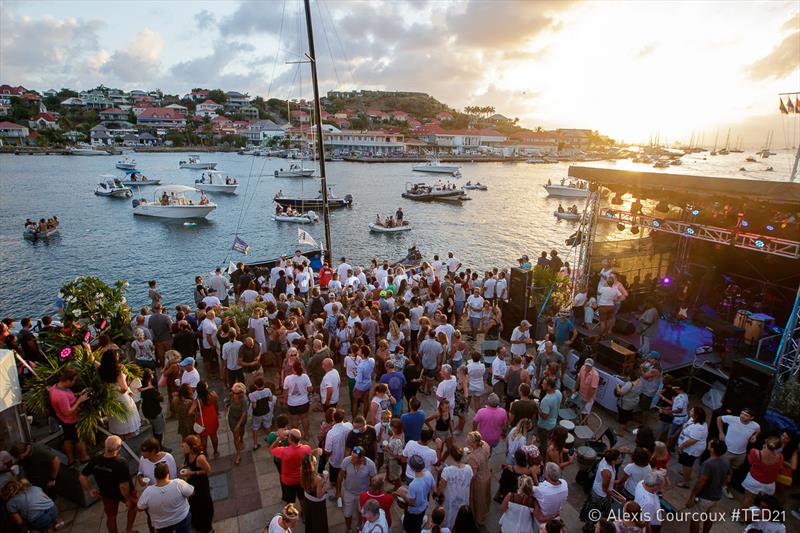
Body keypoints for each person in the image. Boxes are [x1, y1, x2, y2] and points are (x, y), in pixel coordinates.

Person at [79, 436, 138, 533]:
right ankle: (129, 530)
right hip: (125, 493)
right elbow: (123, 486)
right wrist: (127, 499)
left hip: (107, 494)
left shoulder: (96, 459)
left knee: (111, 517)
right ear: (119, 448)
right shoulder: (121, 463)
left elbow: (82, 476)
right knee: (133, 507)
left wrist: (90, 489)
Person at [686, 439, 730, 533]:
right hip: (717, 497)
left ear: (712, 449)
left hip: (705, 497)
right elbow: (727, 478)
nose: (708, 443)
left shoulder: (708, 464)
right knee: (709, 517)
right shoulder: (725, 462)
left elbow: (701, 482)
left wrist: (693, 495)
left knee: (695, 518)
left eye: (710, 443)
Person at [49, 368, 90, 465]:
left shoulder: (55, 387)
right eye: (74, 380)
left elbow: (68, 399)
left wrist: (77, 395)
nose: (74, 383)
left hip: (62, 419)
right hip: (70, 420)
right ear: (67, 380)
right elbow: (68, 412)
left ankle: (71, 459)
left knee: (67, 437)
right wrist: (80, 400)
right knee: (78, 439)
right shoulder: (61, 395)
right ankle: (84, 458)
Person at [98, 347, 141, 438]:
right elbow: (124, 388)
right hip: (122, 398)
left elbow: (93, 361)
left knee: (118, 424)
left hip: (111, 399)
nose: (118, 358)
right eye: (116, 357)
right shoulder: (118, 372)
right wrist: (117, 388)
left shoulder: (102, 369)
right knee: (128, 426)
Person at [137, 462, 193, 533]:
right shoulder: (178, 483)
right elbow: (192, 493)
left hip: (162, 525)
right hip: (182, 519)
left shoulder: (148, 492)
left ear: (155, 476)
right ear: (168, 474)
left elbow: (139, 508)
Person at [717, 407, 760, 498]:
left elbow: (758, 430)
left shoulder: (755, 425)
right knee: (721, 468)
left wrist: (755, 436)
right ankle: (714, 484)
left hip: (741, 454)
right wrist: (721, 433)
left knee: (732, 470)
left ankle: (724, 486)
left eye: (746, 415)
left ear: (751, 418)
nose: (743, 416)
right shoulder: (733, 419)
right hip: (727, 451)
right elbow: (719, 418)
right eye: (742, 413)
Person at [579, 449, 621, 529]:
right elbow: (605, 489)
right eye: (619, 458)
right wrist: (617, 497)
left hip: (598, 490)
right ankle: (590, 528)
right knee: (595, 514)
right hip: (600, 496)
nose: (621, 459)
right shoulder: (607, 472)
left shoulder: (606, 459)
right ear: (613, 461)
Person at [180, 435, 213, 533]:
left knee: (204, 505)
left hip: (201, 484)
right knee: (194, 504)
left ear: (191, 447)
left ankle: (208, 528)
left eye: (184, 446)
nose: (182, 448)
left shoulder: (200, 458)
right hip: (192, 483)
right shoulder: (188, 454)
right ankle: (198, 524)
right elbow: (188, 465)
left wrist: (191, 473)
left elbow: (208, 470)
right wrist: (184, 467)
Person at [270, 428, 313, 503]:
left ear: (289, 439)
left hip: (288, 481)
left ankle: (291, 513)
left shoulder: (284, 451)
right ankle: (303, 512)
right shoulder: (307, 449)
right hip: (301, 479)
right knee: (302, 498)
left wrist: (279, 439)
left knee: (289, 501)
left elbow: (272, 449)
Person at [340, 446, 377, 531]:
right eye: (351, 456)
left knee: (361, 512)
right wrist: (338, 492)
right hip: (348, 492)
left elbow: (373, 480)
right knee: (347, 513)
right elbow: (340, 475)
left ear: (361, 458)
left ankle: (359, 526)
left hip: (362, 493)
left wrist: (371, 494)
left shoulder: (370, 465)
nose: (351, 459)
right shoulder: (346, 460)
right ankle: (348, 529)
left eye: (354, 458)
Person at [395, 454, 435, 533]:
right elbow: (434, 488)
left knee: (410, 527)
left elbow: (412, 503)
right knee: (418, 521)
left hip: (414, 511)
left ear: (412, 468)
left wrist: (401, 494)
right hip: (424, 505)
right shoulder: (428, 474)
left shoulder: (413, 485)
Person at [741, 436, 784, 509]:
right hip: (769, 485)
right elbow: (779, 469)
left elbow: (750, 461)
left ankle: (743, 517)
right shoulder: (780, 457)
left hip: (754, 481)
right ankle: (757, 518)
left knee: (748, 498)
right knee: (763, 503)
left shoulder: (755, 452)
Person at [436, 446, 473, 530]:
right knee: (461, 514)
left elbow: (441, 486)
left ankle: (449, 528)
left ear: (451, 457)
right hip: (463, 496)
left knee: (450, 514)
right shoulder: (469, 468)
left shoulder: (447, 471)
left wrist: (437, 494)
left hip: (451, 497)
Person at [324, 410, 353, 507]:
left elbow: (328, 450)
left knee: (336, 480)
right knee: (345, 477)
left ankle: (338, 495)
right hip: (348, 459)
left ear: (333, 419)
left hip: (336, 461)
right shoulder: (349, 426)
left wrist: (326, 456)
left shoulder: (331, 433)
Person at [465, 432, 491, 527]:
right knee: (485, 497)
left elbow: (473, 474)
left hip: (479, 481)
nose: (466, 440)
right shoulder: (484, 444)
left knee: (478, 500)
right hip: (487, 474)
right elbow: (487, 455)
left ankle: (478, 519)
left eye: (468, 439)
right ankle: (484, 513)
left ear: (473, 443)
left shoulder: (473, 458)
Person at [533, 462, 568, 530]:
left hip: (542, 522)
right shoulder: (564, 483)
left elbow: (528, 489)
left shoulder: (541, 490)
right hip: (556, 517)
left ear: (547, 475)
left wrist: (533, 473)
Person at [300, 454, 328, 533]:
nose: (316, 460)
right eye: (315, 460)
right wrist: (325, 483)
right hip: (317, 504)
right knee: (318, 522)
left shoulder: (302, 471)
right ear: (312, 463)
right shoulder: (317, 479)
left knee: (310, 519)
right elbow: (319, 495)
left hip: (307, 500)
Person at [227, 382, 248, 465]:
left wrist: (239, 424)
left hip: (241, 419)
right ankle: (238, 454)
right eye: (233, 392)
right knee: (235, 436)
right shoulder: (231, 395)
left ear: (241, 393)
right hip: (232, 418)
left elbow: (244, 413)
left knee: (241, 432)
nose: (234, 394)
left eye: (236, 393)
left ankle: (242, 439)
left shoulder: (244, 400)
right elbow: (228, 402)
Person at [537, 377, 562, 448]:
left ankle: (544, 455)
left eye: (544, 384)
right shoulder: (559, 393)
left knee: (543, 443)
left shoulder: (546, 400)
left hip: (544, 426)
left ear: (549, 387)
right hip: (553, 423)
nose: (542, 384)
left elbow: (544, 417)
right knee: (549, 440)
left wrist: (538, 407)